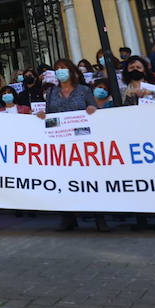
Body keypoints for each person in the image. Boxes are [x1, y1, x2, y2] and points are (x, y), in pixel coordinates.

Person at [41, 59, 105, 232]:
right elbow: (49, 116)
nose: (60, 71)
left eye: (63, 68)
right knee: (63, 180)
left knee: (90, 180)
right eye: (57, 69)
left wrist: (92, 110)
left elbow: (94, 109)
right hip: (61, 143)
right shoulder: (52, 92)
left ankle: (99, 218)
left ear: (71, 71)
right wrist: (42, 118)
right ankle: (67, 217)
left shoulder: (83, 90)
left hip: (83, 141)